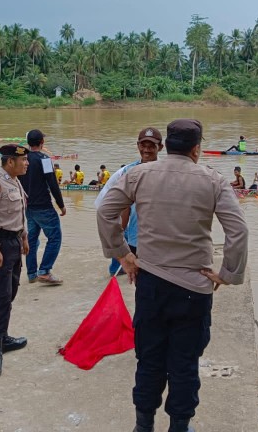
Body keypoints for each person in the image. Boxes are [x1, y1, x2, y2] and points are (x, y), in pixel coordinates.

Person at [96, 119, 248, 432]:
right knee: (184, 363)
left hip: (150, 283)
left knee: (149, 359)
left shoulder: (138, 174)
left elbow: (104, 211)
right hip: (194, 289)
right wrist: (228, 274)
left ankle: (143, 425)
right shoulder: (213, 180)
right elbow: (238, 230)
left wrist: (122, 254)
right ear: (196, 149)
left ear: (167, 145)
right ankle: (179, 426)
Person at [0, 144, 31, 377]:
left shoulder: (15, 181)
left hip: (14, 242)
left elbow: (20, 212)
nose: (27, 163)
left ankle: (4, 338)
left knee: (10, 292)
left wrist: (24, 236)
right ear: (10, 161)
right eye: (23, 160)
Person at [95, 126, 164, 277]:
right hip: (134, 237)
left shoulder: (166, 172)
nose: (146, 150)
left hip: (159, 238)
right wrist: (120, 239)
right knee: (140, 280)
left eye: (151, 146)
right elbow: (117, 208)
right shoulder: (127, 172)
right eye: (143, 145)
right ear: (137, 145)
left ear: (160, 147)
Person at [19, 129, 66, 285]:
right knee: (55, 237)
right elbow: (52, 183)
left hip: (28, 206)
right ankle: (44, 271)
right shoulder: (44, 159)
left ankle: (31, 273)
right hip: (43, 206)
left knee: (32, 239)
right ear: (42, 142)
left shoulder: (23, 159)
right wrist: (61, 205)